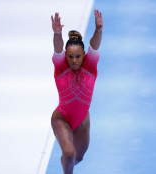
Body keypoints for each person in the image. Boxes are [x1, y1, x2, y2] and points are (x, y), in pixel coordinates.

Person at [50, 9, 103, 174]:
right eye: (70, 57)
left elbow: (94, 46)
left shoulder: (90, 67)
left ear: (83, 56)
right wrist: (58, 34)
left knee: (77, 158)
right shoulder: (60, 68)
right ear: (66, 56)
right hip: (61, 119)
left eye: (77, 57)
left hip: (82, 122)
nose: (74, 60)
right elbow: (58, 49)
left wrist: (98, 30)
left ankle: (67, 162)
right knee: (69, 153)